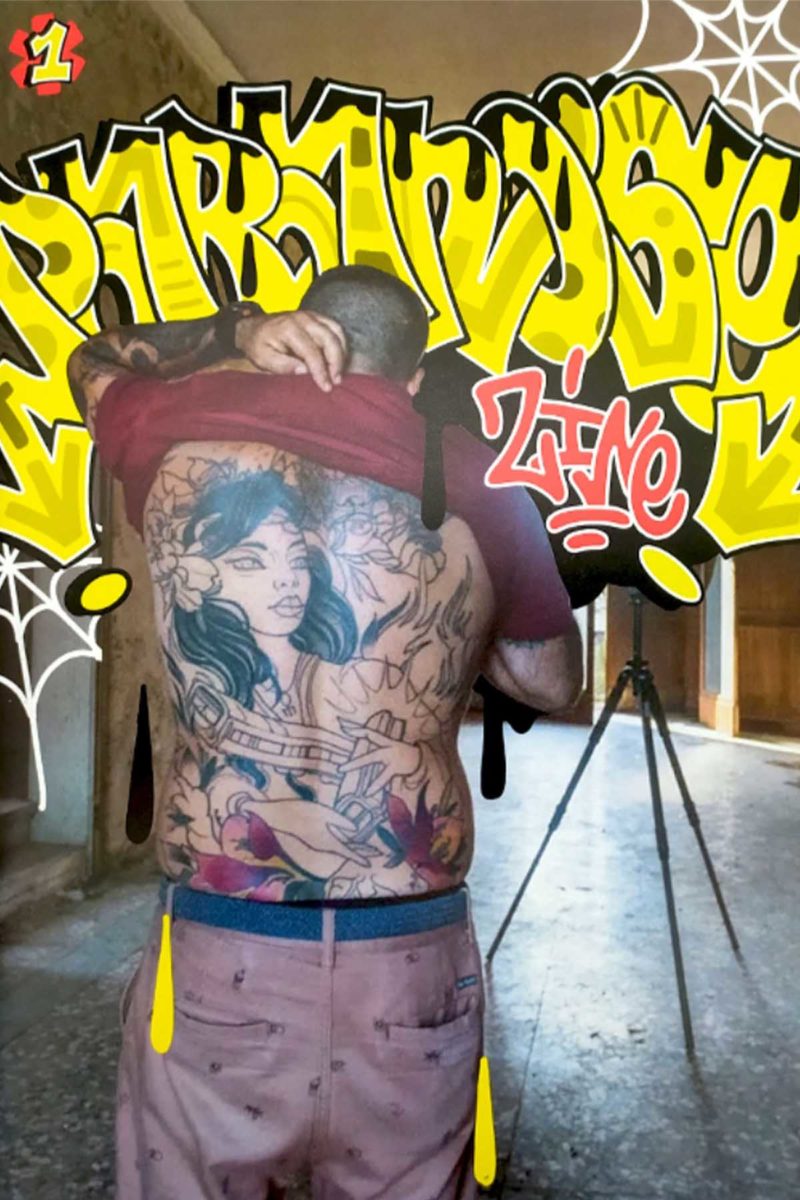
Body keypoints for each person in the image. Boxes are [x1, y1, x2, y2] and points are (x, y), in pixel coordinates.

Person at [68, 265, 583, 1200]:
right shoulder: (478, 476)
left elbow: (91, 358)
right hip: (406, 946)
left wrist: (235, 329)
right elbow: (549, 681)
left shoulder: (176, 423)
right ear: (413, 376)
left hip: (223, 939)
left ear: (299, 340)